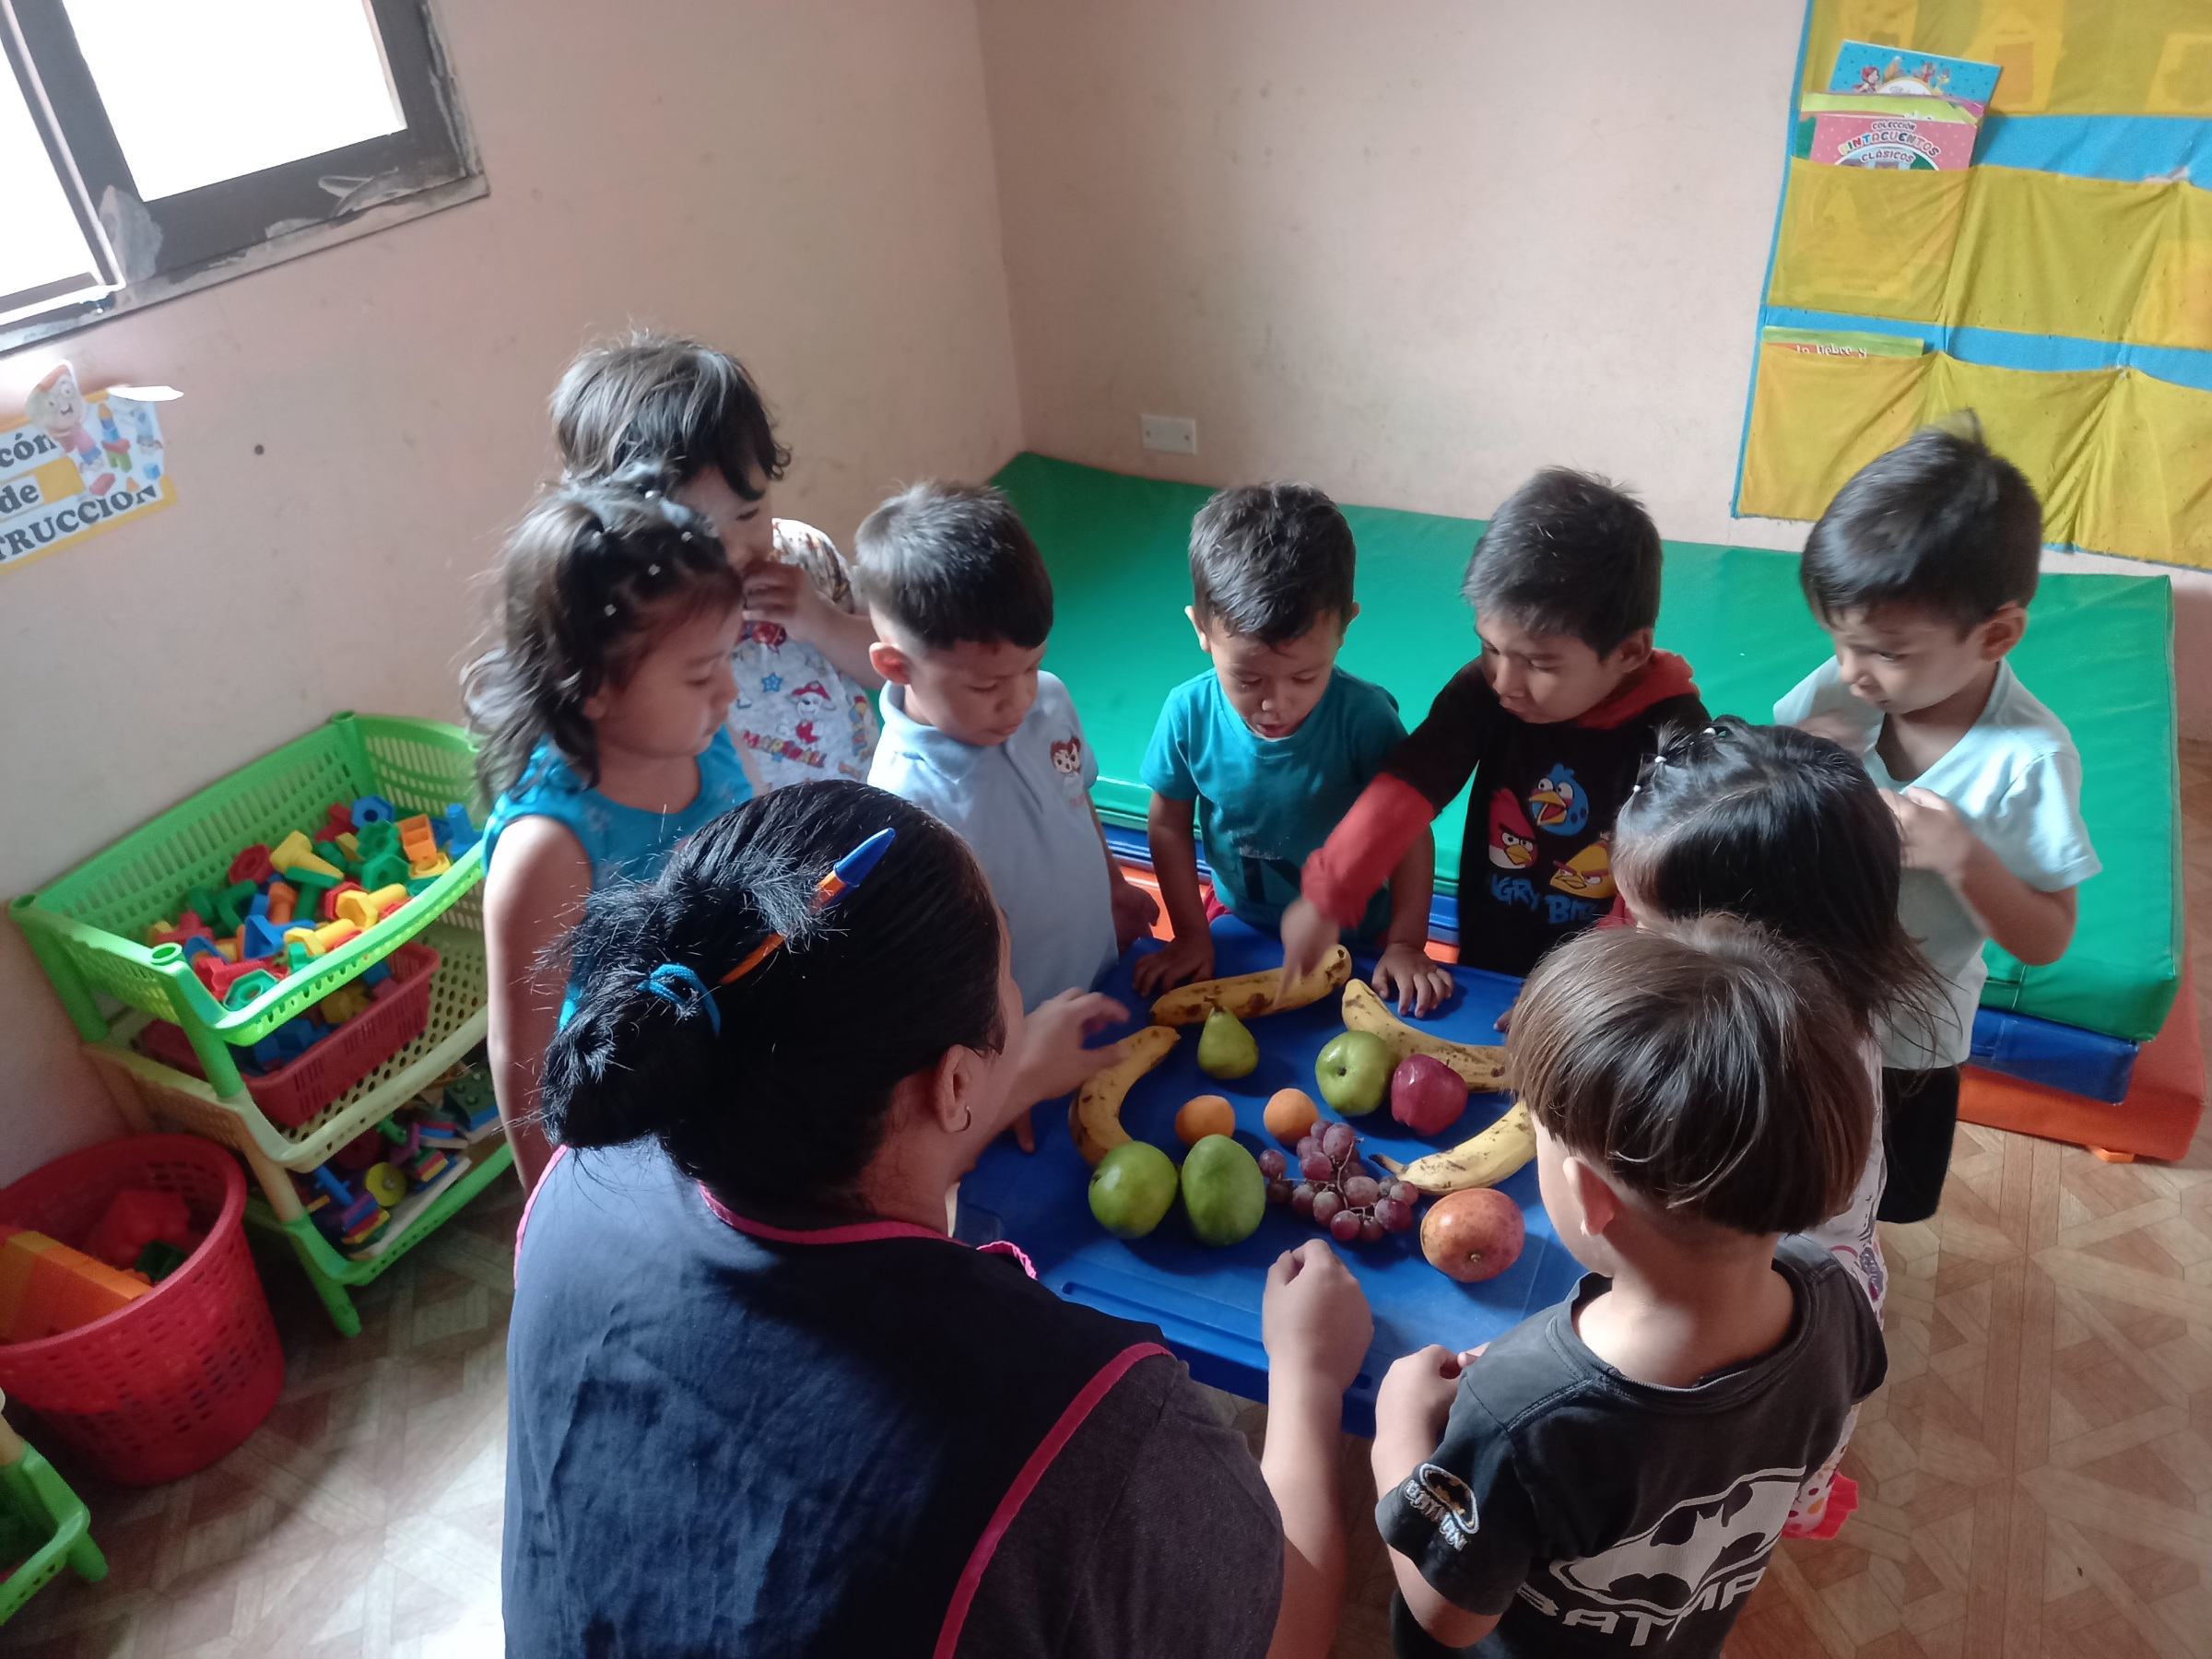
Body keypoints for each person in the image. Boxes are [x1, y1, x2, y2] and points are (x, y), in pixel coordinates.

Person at [502, 782, 1377, 1659]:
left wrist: (994, 1088)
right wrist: (1307, 1381)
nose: (1018, 996)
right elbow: (1283, 1636)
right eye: (1008, 971)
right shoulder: (1086, 1428)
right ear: (953, 1080)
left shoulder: (581, 1179)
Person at [1371, 923, 1886, 1657]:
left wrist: (1396, 1432)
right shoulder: (1835, 1293)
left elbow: (1447, 1612)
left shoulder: (1518, 1414)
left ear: (1589, 1194)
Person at [1611, 715, 1944, 1535]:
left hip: (1765, 1311)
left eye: (1651, 931)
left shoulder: (1754, 1072)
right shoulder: (1827, 998)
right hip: (1819, 1274)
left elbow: (1668, 1249)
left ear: (1758, 951)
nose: (1633, 944)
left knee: (1724, 1471)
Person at [1775, 420, 2099, 1223]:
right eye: (1838, 641)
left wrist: (1962, 857)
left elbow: (2047, 937)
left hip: (1908, 1041)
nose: (1851, 669)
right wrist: (1798, 765)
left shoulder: (2025, 762)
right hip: (1798, 1005)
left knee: (1877, 1200)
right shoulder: (1846, 687)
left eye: (1885, 651)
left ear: (1996, 633)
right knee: (1786, 1174)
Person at [1277, 469, 1706, 987]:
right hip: (1489, 946)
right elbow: (1410, 785)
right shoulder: (1481, 691)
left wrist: (1586, 993)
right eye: (1490, 648)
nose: (1506, 683)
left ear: (1629, 651)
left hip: (1599, 982)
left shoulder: (1675, 738)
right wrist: (1331, 892)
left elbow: (1660, 886)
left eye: (1540, 664)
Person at [465, 480, 749, 1190]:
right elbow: (523, 1058)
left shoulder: (702, 740)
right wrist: (547, 1204)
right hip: (632, 1095)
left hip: (733, 1037)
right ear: (592, 684)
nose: (729, 692)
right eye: (701, 674)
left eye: (728, 659)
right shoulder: (547, 848)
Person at [1133, 483, 1452, 1016]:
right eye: (1247, 678)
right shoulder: (1188, 713)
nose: (1274, 704)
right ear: (1201, 629)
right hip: (1235, 921)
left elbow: (1409, 833)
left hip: (1361, 933)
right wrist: (1188, 934)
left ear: (1345, 627)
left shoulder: (1365, 719)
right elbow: (1167, 824)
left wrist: (1406, 943)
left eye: (1304, 677)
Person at [860, 481, 1158, 1032]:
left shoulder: (1050, 699)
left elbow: (1077, 796)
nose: (1020, 698)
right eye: (987, 686)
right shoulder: (903, 800)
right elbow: (935, 966)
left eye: (1031, 666)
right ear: (897, 667)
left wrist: (1115, 885)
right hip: (1024, 1033)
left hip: (1103, 972)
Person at [552, 330, 884, 791]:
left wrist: (824, 622)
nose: (732, 551)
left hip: (859, 798)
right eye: (695, 532)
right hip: (740, 829)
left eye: (748, 514)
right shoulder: (637, 616)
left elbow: (893, 665)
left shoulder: (804, 555)